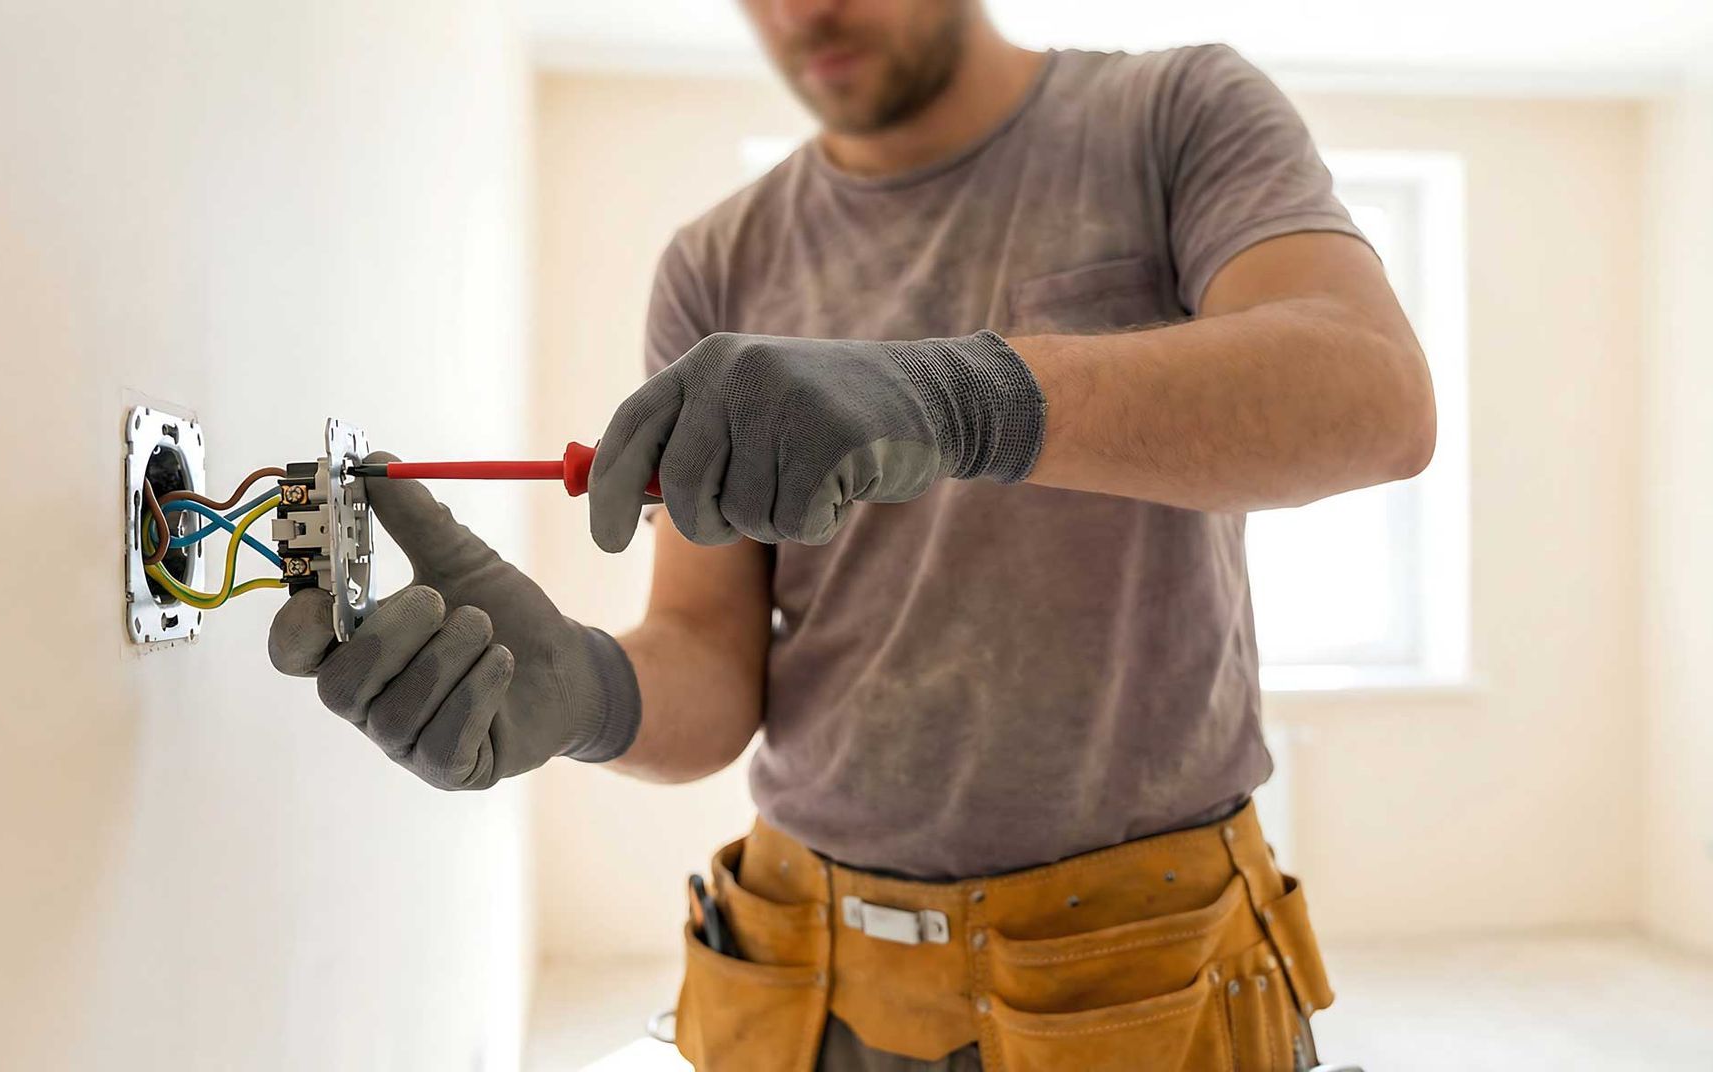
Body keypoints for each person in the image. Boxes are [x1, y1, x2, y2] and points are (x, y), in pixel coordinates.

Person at [268, 1, 1434, 1068]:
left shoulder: (1170, 114)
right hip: (800, 969)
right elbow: (710, 656)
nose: (799, 14)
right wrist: (588, 693)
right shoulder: (718, 260)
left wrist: (962, 398)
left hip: (1140, 973)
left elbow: (1375, 397)